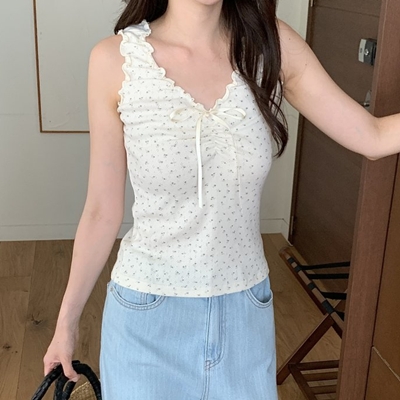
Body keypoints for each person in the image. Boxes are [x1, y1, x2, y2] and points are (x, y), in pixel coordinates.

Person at [43, 0, 400, 398]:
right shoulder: (116, 60)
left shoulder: (271, 45)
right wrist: (66, 323)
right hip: (147, 315)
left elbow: (373, 138)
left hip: (244, 313)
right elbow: (101, 210)